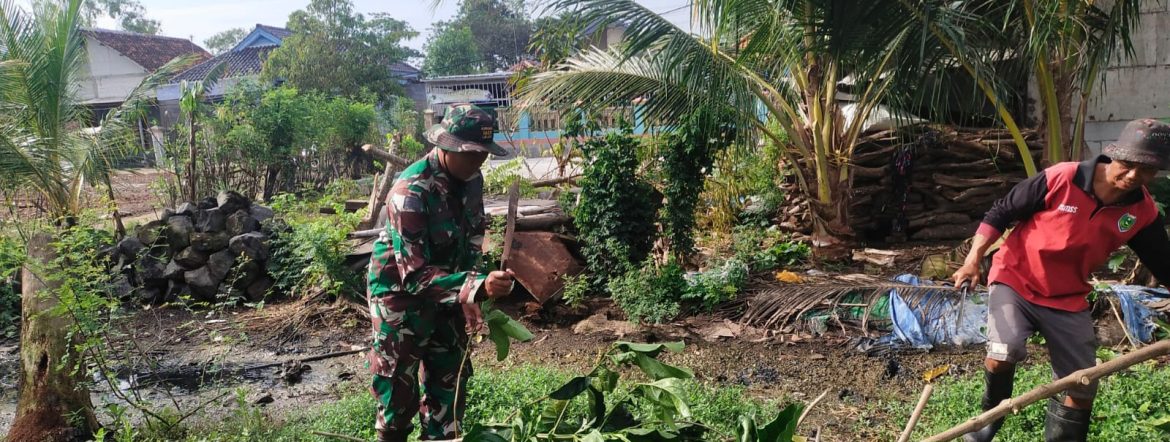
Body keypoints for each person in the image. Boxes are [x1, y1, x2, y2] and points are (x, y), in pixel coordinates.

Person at [952, 118, 1170, 441]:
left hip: (1067, 297)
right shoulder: (1063, 177)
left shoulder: (1141, 212)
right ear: (1114, 154)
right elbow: (1002, 211)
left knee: (1082, 383)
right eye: (1128, 164)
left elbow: (1164, 263)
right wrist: (972, 260)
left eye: (1147, 170)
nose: (1133, 176)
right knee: (1002, 353)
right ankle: (982, 430)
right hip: (1016, 281)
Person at [366, 103, 515, 442]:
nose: (479, 161)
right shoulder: (410, 192)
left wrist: (469, 294)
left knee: (449, 384)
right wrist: (475, 286)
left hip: (448, 292)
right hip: (399, 297)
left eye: (483, 153)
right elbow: (414, 277)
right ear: (447, 146)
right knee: (396, 393)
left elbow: (473, 239)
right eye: (471, 153)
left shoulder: (471, 180)